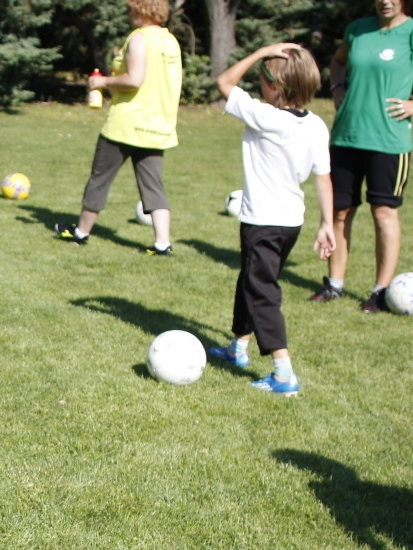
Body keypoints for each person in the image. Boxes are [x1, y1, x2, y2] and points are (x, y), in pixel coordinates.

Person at [207, 44, 334, 397]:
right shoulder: (316, 125)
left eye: (264, 77)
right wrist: (327, 224)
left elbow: (224, 82)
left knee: (262, 292)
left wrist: (260, 52)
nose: (259, 83)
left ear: (277, 86)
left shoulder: (265, 116)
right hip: (290, 222)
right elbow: (323, 177)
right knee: (251, 280)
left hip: (262, 221)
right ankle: (238, 348)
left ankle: (283, 373)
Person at [309, 0, 413, 313]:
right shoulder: (357, 30)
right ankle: (334, 285)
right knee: (340, 212)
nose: (386, 1)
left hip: (389, 140)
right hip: (346, 135)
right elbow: (338, 61)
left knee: (383, 213)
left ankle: (381, 292)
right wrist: (337, 85)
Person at [55, 0, 182, 255]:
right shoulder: (170, 41)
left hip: (127, 123)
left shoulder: (139, 38)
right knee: (153, 184)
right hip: (158, 125)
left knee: (100, 178)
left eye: (131, 7)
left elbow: (135, 79)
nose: (129, 13)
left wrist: (102, 82)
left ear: (142, 9)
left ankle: (81, 233)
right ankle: (162, 243)